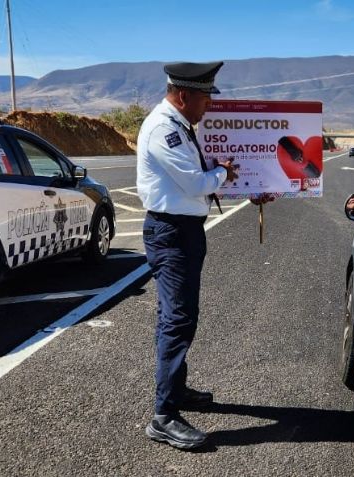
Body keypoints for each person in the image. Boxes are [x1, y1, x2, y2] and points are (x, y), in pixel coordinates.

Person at [136, 61, 239, 450]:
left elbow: (195, 173)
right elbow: (195, 183)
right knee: (177, 319)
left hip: (183, 231)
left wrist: (218, 170)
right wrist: (222, 175)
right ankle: (163, 416)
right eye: (204, 98)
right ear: (184, 95)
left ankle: (176, 391)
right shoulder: (165, 129)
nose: (208, 106)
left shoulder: (179, 126)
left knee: (178, 315)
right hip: (171, 232)